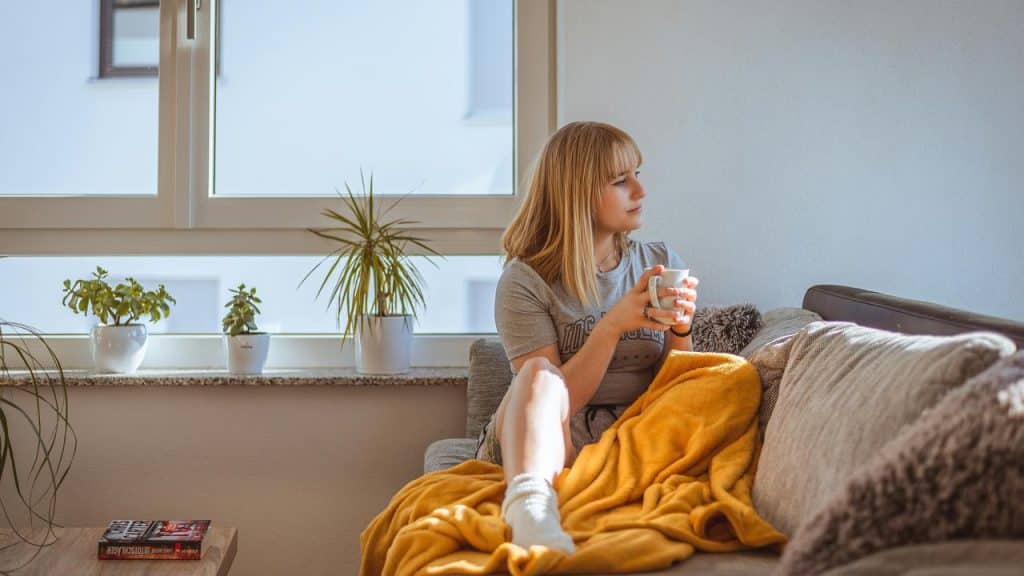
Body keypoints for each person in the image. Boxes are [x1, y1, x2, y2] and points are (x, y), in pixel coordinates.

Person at [477, 121, 700, 554]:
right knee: (540, 373)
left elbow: (675, 390)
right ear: (577, 193)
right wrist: (612, 326)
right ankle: (531, 506)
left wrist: (681, 330)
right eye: (621, 181)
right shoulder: (525, 282)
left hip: (630, 431)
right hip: (542, 433)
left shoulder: (658, 261)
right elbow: (556, 401)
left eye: (638, 174)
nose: (640, 190)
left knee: (730, 380)